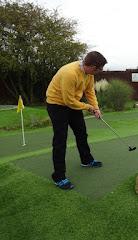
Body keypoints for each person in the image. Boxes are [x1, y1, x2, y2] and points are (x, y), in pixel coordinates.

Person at [46, 51, 107, 190]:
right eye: (100, 69)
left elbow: (90, 91)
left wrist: (96, 108)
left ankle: (86, 160)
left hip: (73, 103)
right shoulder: (70, 73)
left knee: (81, 132)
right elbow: (68, 101)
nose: (100, 71)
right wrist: (88, 107)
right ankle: (59, 177)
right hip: (57, 104)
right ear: (93, 67)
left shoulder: (88, 74)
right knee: (60, 140)